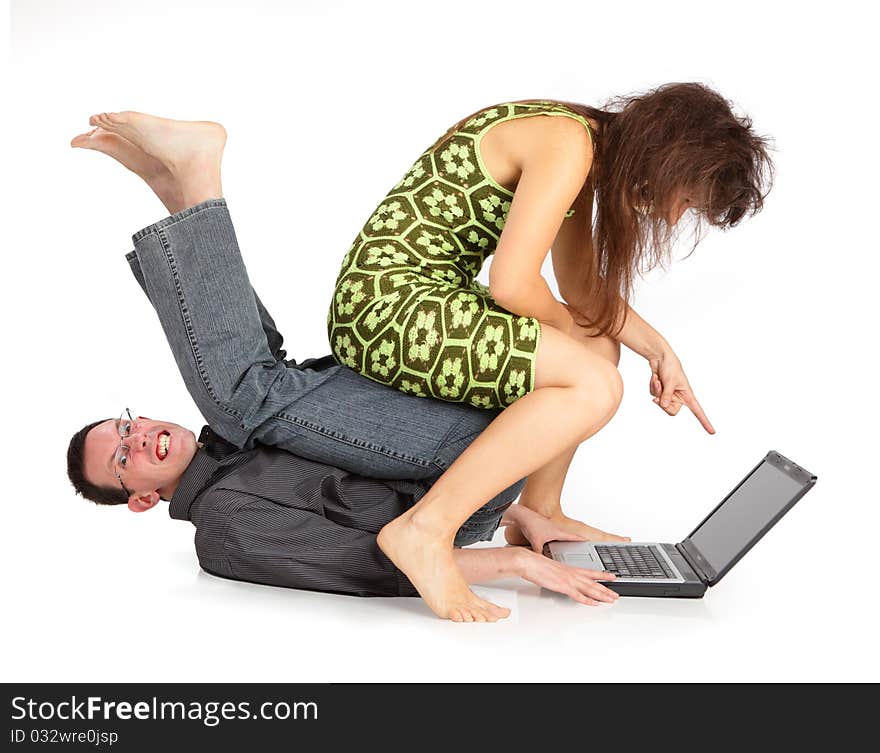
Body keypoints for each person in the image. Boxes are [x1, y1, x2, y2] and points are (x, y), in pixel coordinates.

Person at [66, 119, 623, 615]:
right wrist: (512, 563)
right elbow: (366, 560)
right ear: (140, 498)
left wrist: (522, 515)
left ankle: (181, 191)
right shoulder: (221, 526)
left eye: (126, 426)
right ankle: (194, 184)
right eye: (122, 457)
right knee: (248, 394)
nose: (137, 438)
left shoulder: (237, 451)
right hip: (456, 462)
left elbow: (373, 473)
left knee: (259, 389)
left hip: (478, 450)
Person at [322, 83, 773, 619]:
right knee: (594, 380)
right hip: (385, 308)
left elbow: (581, 287)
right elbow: (512, 283)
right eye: (685, 199)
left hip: (420, 298)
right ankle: (424, 530)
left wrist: (660, 352)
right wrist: (570, 340)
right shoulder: (567, 144)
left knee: (598, 344)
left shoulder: (585, 147)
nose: (674, 218)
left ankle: (538, 509)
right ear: (669, 156)